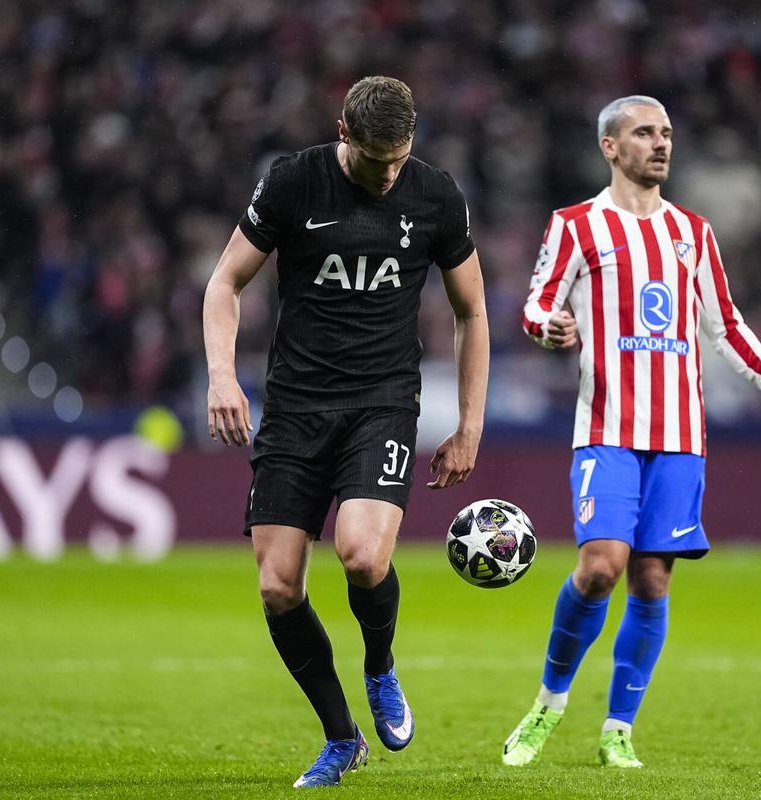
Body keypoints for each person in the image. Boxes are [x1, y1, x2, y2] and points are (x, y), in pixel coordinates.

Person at [504, 95, 761, 768]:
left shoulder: (692, 233)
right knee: (600, 567)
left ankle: (619, 728)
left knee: (650, 580)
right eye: (644, 133)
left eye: (667, 132)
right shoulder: (576, 225)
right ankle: (549, 701)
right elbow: (536, 302)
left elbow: (724, 324)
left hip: (679, 436)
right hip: (607, 429)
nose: (661, 143)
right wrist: (549, 328)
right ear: (611, 147)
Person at [202, 76, 489, 788]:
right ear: (343, 133)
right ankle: (341, 737)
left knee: (362, 556)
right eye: (373, 160)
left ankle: (380, 665)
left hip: (381, 402)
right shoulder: (293, 182)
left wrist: (469, 423)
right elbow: (224, 283)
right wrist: (220, 376)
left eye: (398, 160)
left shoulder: (434, 195)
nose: (387, 174)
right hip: (296, 406)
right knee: (277, 586)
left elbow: (472, 311)